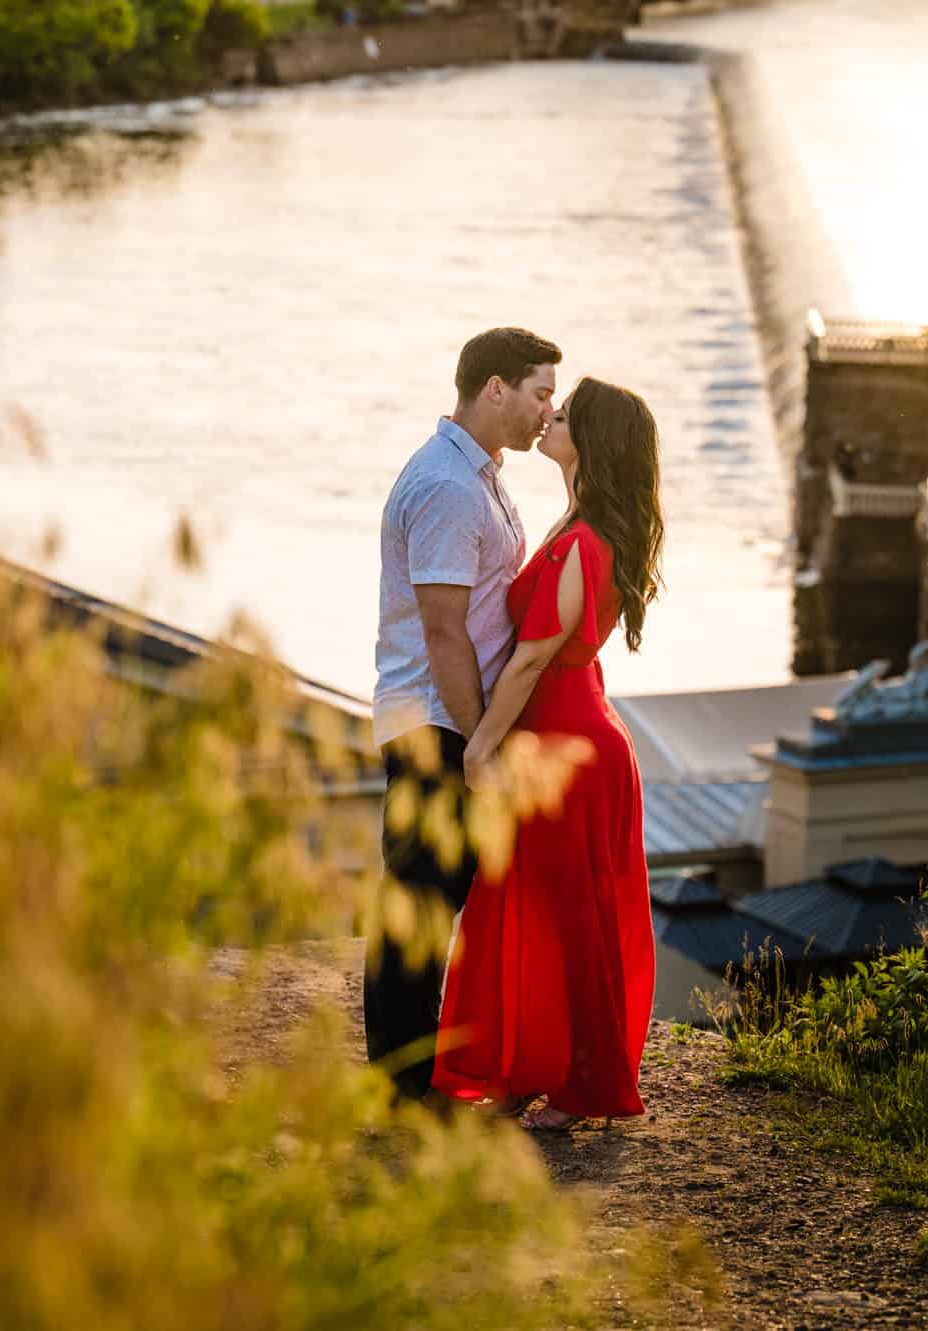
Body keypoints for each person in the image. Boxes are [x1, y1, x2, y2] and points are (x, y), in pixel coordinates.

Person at [430, 377, 664, 1130]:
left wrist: (480, 745)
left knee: (564, 917)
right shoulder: (578, 523)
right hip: (568, 738)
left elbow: (533, 659)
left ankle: (580, 1086)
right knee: (528, 910)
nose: (548, 419)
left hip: (566, 750)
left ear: (590, 442)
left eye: (563, 415)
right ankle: (536, 1068)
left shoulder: (584, 540)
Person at [367, 327, 560, 1101]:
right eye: (541, 392)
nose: (547, 409)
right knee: (418, 903)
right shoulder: (448, 486)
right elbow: (444, 630)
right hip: (435, 724)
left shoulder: (481, 473)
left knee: (437, 901)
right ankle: (401, 1088)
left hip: (453, 719)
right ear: (495, 389)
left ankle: (416, 1074)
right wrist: (481, 739)